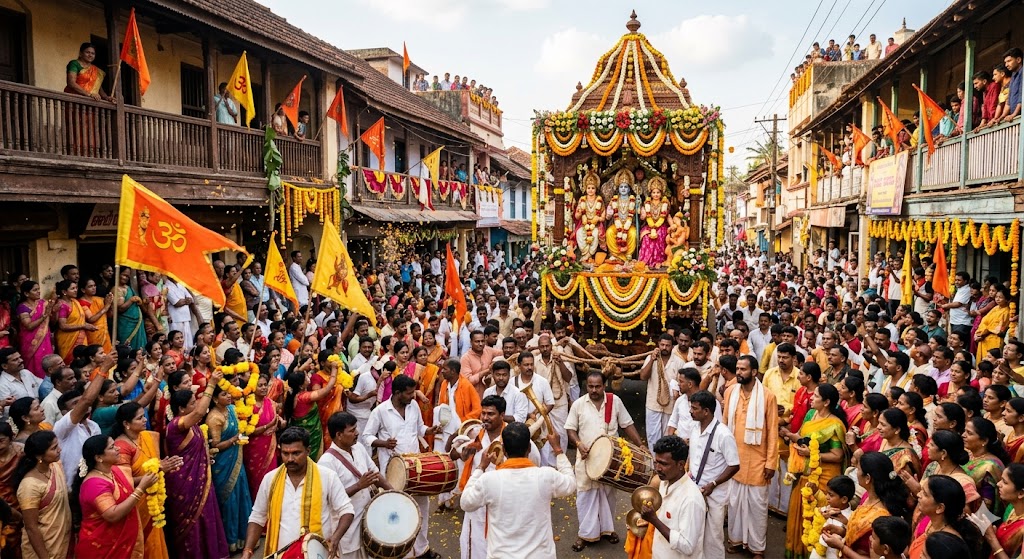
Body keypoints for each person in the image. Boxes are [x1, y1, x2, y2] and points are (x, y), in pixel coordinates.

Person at [460, 423, 575, 559]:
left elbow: (466, 503)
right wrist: (558, 450)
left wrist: (480, 467)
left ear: (503, 449)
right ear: (529, 448)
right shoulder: (545, 476)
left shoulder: (489, 480)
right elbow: (571, 483)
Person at [361, 374, 442, 558]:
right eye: (409, 393)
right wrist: (383, 443)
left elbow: (420, 428)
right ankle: (400, 552)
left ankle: (422, 550)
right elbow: (366, 437)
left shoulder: (413, 406)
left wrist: (431, 430)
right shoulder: (380, 411)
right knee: (398, 511)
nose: (413, 396)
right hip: (393, 472)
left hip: (417, 469)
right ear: (397, 393)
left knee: (421, 509)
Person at [243, 426, 354, 559]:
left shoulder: (327, 476)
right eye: (285, 453)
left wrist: (335, 539)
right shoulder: (270, 479)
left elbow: (347, 510)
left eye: (296, 453)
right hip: (281, 554)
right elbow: (257, 517)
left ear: (308, 451)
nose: (290, 459)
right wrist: (247, 551)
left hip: (316, 553)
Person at [565, 371, 644, 552]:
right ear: (586, 386)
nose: (593, 390)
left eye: (597, 386)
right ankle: (584, 534)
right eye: (590, 386)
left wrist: (640, 445)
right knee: (585, 497)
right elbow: (570, 429)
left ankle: (607, 530)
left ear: (604, 385)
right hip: (586, 460)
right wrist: (578, 444)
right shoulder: (578, 404)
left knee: (608, 496)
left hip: (610, 462)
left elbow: (627, 424)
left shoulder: (614, 401)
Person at [164, 371, 229, 558]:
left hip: (200, 479)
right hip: (185, 484)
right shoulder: (177, 425)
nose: (197, 405)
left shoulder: (191, 425)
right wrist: (212, 383)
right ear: (182, 409)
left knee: (206, 518)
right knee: (191, 524)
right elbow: (201, 411)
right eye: (192, 403)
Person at [781, 383, 848, 559]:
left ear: (826, 402)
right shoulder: (811, 414)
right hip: (804, 472)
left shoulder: (835, 424)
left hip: (824, 476)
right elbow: (803, 438)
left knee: (816, 520)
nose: (811, 398)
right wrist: (791, 437)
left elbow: (837, 455)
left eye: (816, 396)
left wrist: (812, 453)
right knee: (799, 515)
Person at [723, 355, 779, 559]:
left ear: (754, 372)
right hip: (734, 460)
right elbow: (725, 423)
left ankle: (757, 548)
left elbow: (772, 431)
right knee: (735, 503)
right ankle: (736, 540)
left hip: (758, 461)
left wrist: (771, 462)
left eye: (743, 369)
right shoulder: (730, 392)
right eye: (737, 369)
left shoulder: (767, 396)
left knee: (757, 507)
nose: (738, 372)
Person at [319, 412, 392, 559]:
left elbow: (375, 475)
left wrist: (395, 494)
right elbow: (330, 500)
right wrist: (359, 486)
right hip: (348, 532)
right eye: (352, 430)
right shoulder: (326, 462)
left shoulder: (358, 448)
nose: (357, 433)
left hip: (369, 523)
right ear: (339, 435)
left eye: (356, 428)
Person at [111, 402, 179, 559]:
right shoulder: (121, 447)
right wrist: (159, 469)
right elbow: (123, 482)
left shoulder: (146, 436)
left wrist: (165, 467)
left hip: (153, 500)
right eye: (139, 418)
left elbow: (156, 465)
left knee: (155, 542)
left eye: (144, 416)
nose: (145, 420)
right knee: (143, 544)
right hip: (135, 503)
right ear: (126, 424)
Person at [73, 434, 158, 558]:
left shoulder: (113, 471)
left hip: (121, 543)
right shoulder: (94, 484)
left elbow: (128, 483)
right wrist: (141, 489)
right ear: (99, 457)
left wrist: (157, 470)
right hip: (102, 548)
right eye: (112, 447)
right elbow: (112, 515)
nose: (118, 449)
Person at [822, 452, 911, 558]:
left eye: (858, 469)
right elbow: (860, 536)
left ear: (868, 478)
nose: (856, 472)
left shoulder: (881, 516)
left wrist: (841, 547)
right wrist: (843, 531)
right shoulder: (867, 496)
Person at [687, 389, 739, 557]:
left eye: (694, 408)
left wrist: (713, 484)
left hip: (714, 494)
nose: (691, 411)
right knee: (694, 533)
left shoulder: (723, 434)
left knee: (713, 537)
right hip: (695, 490)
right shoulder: (694, 428)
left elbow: (734, 466)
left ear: (706, 411)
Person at [636, 435, 706, 558]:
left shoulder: (691, 499)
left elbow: (687, 546)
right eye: (656, 462)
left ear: (680, 465)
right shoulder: (664, 482)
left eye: (663, 464)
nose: (658, 468)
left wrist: (654, 520)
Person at [206, 383, 253, 553]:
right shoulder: (214, 418)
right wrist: (235, 438)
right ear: (215, 398)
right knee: (229, 502)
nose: (228, 396)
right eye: (224, 394)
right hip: (223, 464)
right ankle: (229, 542)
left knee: (242, 495)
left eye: (228, 393)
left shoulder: (233, 409)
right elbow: (216, 445)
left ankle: (244, 539)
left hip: (237, 462)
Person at [14, 430, 70, 559]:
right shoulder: (29, 486)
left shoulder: (56, 467)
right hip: (44, 548)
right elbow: (31, 527)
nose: (59, 450)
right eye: (54, 448)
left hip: (63, 540)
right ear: (39, 456)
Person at [907, 475, 985, 558]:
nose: (918, 494)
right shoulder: (928, 521)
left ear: (940, 508)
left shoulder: (947, 544)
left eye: (925, 494)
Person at [282, 359, 338, 460]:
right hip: (311, 435)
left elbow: (293, 377)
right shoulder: (305, 397)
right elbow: (328, 388)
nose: (309, 377)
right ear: (301, 385)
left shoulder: (290, 394)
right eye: (306, 377)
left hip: (298, 432)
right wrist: (334, 370)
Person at [639, 334, 684, 451]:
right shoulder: (651, 358)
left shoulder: (679, 362)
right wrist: (652, 360)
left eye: (667, 345)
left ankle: (664, 466)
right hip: (653, 404)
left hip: (670, 406)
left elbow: (682, 384)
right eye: (662, 345)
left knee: (667, 438)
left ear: (672, 346)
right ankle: (655, 464)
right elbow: (643, 376)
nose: (665, 348)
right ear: (658, 344)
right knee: (652, 436)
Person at [242, 373, 283, 498]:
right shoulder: (248, 406)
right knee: (256, 479)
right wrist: (268, 426)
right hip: (254, 449)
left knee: (271, 477)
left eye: (265, 385)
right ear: (253, 387)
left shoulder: (270, 403)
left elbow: (277, 421)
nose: (264, 388)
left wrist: (276, 425)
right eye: (260, 385)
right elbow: (247, 431)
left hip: (270, 445)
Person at [983, 463, 1024, 558]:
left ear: (1021, 493)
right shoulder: (1012, 509)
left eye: (1005, 482)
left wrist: (992, 539)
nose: (998, 484)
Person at [16, 281, 54, 378]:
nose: (38, 292)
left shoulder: (43, 303)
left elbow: (52, 321)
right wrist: (43, 317)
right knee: (35, 367)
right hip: (30, 343)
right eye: (35, 290)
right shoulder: (22, 307)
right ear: (26, 293)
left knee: (49, 364)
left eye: (38, 289)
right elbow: (28, 326)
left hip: (45, 340)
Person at [116, 267, 147, 351]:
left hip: (137, 322)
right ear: (118, 274)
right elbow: (120, 309)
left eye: (128, 277)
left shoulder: (129, 288)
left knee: (140, 349)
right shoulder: (117, 289)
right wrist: (131, 300)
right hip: (126, 324)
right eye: (124, 275)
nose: (126, 278)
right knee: (127, 348)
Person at [79, 278, 113, 353]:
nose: (94, 288)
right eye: (90, 286)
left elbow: (109, 315)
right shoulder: (82, 302)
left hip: (104, 332)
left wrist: (110, 306)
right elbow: (91, 319)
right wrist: (106, 307)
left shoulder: (99, 299)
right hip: (93, 333)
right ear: (83, 290)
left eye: (94, 285)